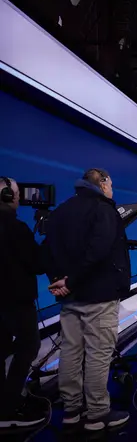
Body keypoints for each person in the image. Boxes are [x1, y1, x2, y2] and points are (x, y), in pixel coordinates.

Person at [44, 168, 130, 431]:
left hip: (71, 296)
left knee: (70, 351)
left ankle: (71, 411)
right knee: (98, 353)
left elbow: (48, 250)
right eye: (110, 184)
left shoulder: (61, 210)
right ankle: (97, 414)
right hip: (98, 295)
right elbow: (98, 252)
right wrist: (71, 281)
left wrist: (60, 281)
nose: (111, 190)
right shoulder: (103, 210)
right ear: (102, 183)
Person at [0, 177, 47, 428]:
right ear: (8, 197)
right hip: (16, 299)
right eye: (17, 193)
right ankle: (9, 409)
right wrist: (47, 239)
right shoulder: (16, 228)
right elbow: (37, 263)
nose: (19, 197)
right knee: (29, 346)